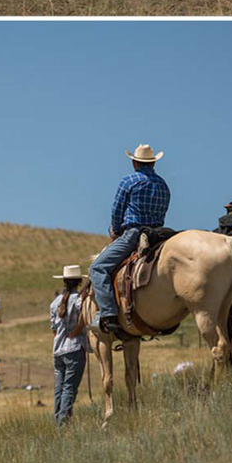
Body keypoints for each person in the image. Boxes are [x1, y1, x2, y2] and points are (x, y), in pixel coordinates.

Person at [91, 143, 172, 340]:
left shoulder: (128, 181)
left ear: (135, 162)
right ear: (153, 164)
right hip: (158, 235)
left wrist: (115, 230)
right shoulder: (163, 185)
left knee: (98, 268)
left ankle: (108, 314)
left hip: (133, 234)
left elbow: (117, 211)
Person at [49, 264, 87, 426]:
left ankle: (59, 420)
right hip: (74, 348)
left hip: (58, 350)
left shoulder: (55, 302)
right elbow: (85, 319)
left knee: (60, 389)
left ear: (64, 281)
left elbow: (54, 330)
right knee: (69, 388)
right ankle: (63, 424)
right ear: (78, 281)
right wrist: (78, 330)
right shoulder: (80, 301)